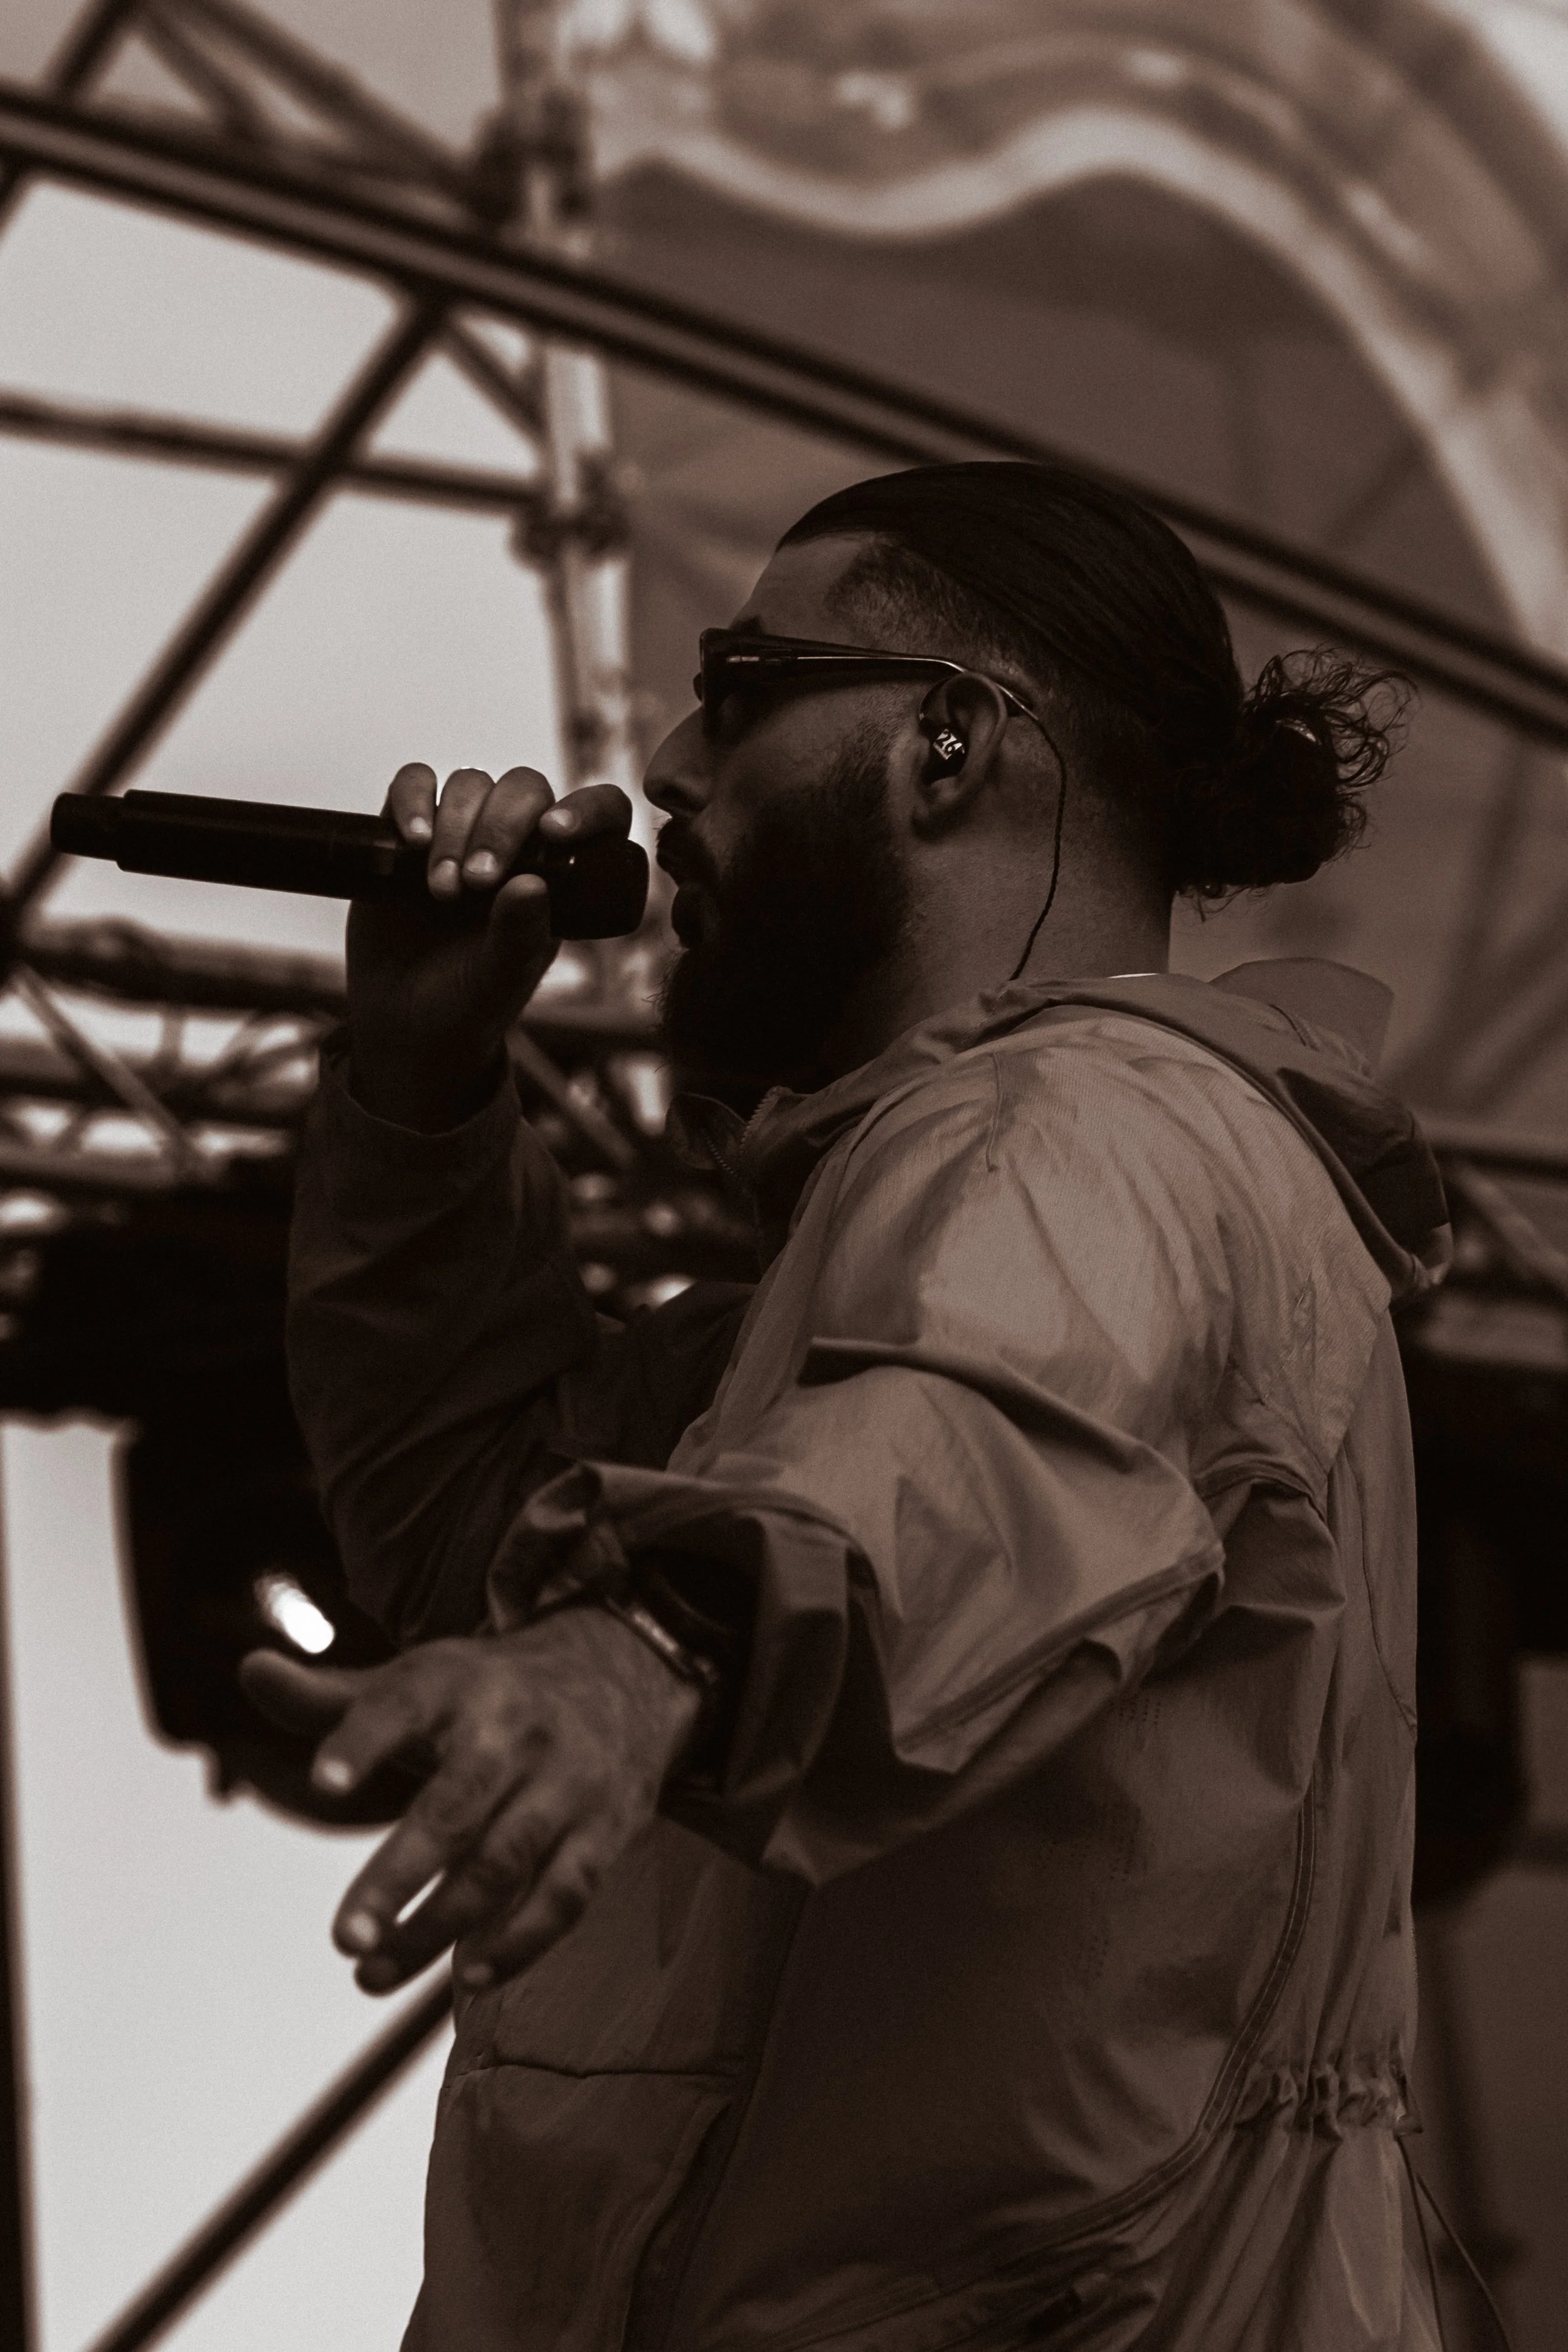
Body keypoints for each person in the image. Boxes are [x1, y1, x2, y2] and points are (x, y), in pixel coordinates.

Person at [248, 462, 1451, 2350]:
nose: (659, 760)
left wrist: (648, 1638)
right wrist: (418, 1084)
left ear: (947, 742)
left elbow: (969, 1467)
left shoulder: (1082, 1131)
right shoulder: (906, 1229)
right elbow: (471, 1522)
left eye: (734, 685)